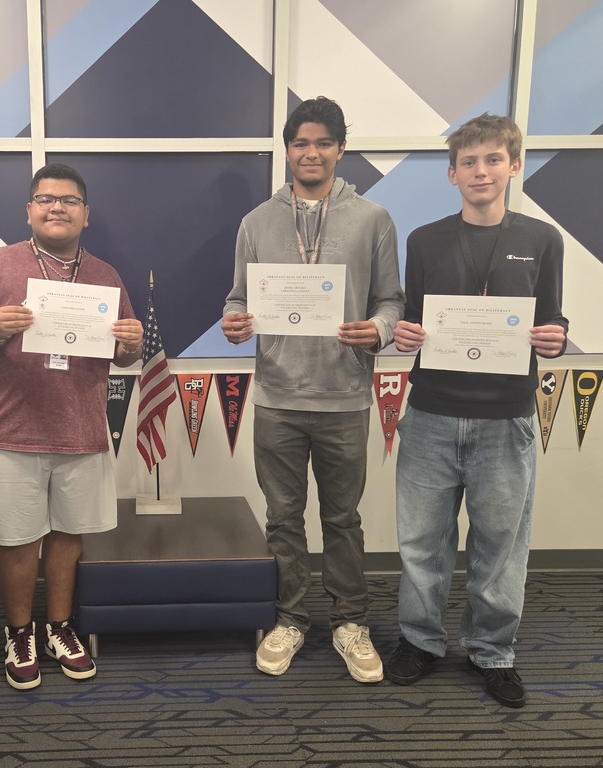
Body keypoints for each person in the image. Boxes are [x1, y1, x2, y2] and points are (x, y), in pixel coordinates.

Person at [386, 114, 568, 708]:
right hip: (431, 411)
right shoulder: (424, 240)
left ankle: (493, 652)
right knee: (421, 540)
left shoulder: (542, 240)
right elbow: (411, 318)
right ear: (452, 173)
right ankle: (421, 640)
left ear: (514, 166)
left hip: (506, 416)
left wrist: (556, 336)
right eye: (469, 162)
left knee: (500, 542)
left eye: (493, 160)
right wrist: (406, 337)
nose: (481, 171)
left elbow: (554, 316)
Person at [222, 97, 405, 682]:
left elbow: (391, 301)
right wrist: (233, 321)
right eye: (301, 142)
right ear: (287, 149)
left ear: (341, 149)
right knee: (283, 516)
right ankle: (291, 620)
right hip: (276, 397)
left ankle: (350, 622)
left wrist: (375, 330)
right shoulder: (255, 222)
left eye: (324, 142)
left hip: (345, 397)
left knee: (344, 518)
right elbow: (237, 299)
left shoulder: (372, 218)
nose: (312, 152)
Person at [0, 163, 143, 691]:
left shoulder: (106, 275)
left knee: (66, 537)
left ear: (86, 213)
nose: (57, 207)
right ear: (29, 210)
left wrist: (131, 342)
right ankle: (18, 631)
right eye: (45, 199)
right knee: (16, 540)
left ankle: (59, 626)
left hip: (81, 429)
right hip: (10, 430)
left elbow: (127, 357)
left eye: (69, 200)